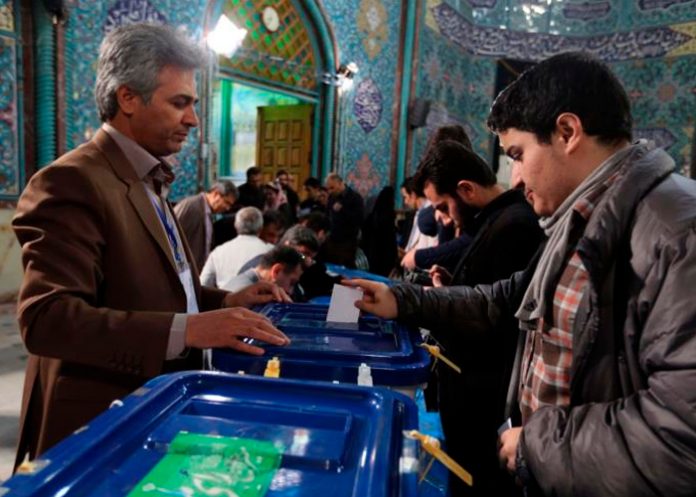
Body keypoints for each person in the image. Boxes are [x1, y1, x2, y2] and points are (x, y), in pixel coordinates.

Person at [351, 51, 696, 497]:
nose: (514, 178)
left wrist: (537, 445)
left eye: (518, 154)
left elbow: (680, 437)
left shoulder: (676, 233)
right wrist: (403, 300)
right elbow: (505, 299)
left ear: (567, 132)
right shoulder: (581, 218)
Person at [11, 24, 290, 469]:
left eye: (193, 104)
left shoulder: (149, 178)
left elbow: (163, 289)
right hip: (100, 418)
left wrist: (226, 301)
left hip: (154, 406)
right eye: (179, 103)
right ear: (128, 98)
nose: (193, 119)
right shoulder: (73, 180)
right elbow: (47, 320)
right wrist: (188, 331)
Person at [413, 139, 543, 496]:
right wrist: (450, 287)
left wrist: (436, 303)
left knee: (479, 481)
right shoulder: (494, 220)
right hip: (471, 389)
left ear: (466, 190)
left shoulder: (514, 224)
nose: (443, 218)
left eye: (443, 206)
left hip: (483, 393)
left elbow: (497, 316)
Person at [200, 206, 274, 288]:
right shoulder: (272, 252)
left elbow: (203, 284)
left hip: (224, 298)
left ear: (235, 226)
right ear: (261, 228)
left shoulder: (218, 252)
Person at [173, 180, 238, 274]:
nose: (227, 208)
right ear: (216, 194)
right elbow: (171, 236)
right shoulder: (191, 206)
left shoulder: (206, 211)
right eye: (227, 203)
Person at [220, 246, 305, 294]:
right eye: (291, 283)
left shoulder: (245, 284)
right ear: (276, 271)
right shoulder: (246, 294)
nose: (290, 291)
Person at [322, 172, 364, 267]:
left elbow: (359, 219)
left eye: (332, 188)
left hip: (348, 242)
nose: (329, 191)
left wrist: (343, 210)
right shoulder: (332, 198)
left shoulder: (355, 198)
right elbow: (327, 215)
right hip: (332, 239)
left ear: (340, 183)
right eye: (328, 188)